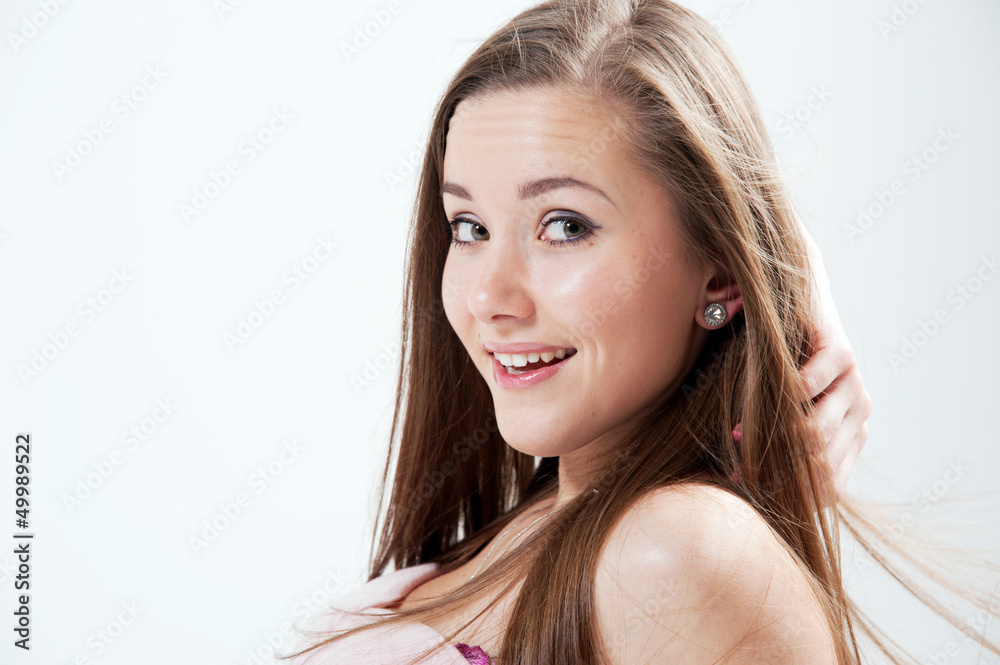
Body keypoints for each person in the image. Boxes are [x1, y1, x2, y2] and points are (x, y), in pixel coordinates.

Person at [285, 1, 998, 663]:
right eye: (469, 228)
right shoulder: (541, 528)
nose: (488, 297)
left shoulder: (677, 554)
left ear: (721, 275)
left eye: (566, 226)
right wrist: (790, 275)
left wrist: (775, 272)